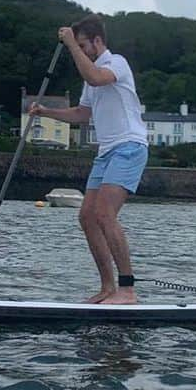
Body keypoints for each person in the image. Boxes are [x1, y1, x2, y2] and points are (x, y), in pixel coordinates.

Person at [28, 15, 148, 304]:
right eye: (78, 46)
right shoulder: (90, 79)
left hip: (130, 146)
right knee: (87, 217)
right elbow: (82, 115)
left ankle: (128, 290)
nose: (80, 51)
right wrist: (45, 112)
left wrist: (70, 43)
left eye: (84, 46)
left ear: (97, 42)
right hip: (106, 151)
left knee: (105, 214)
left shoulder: (115, 63)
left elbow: (94, 76)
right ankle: (108, 287)